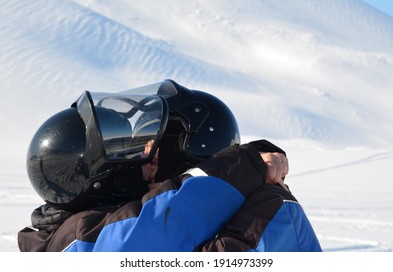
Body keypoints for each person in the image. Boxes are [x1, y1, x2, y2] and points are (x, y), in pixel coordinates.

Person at [18, 80, 321, 252]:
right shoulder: (80, 235)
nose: (146, 154)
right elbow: (148, 230)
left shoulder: (274, 211)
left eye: (157, 147)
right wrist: (247, 165)